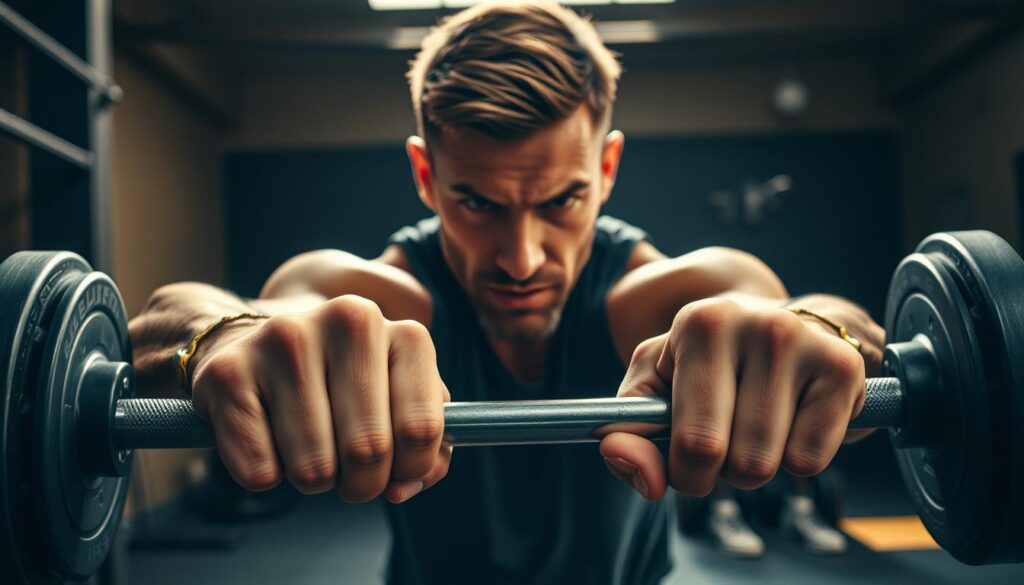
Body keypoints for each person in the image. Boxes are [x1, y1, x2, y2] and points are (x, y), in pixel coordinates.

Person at [128, 2, 884, 583]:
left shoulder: (649, 295)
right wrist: (225, 338)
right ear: (427, 176)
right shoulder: (385, 294)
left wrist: (820, 336)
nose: (522, 258)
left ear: (606, 169)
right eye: (478, 204)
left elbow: (783, 314)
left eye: (561, 201)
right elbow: (199, 318)